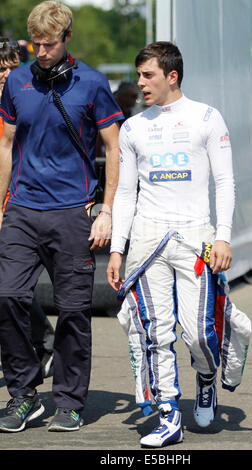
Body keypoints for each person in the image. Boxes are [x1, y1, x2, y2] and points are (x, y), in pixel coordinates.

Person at [107, 41, 251, 448]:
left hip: (196, 239)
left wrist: (222, 236)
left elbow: (225, 182)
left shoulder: (206, 117)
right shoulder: (134, 127)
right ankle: (168, 413)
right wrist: (118, 248)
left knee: (199, 334)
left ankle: (206, 378)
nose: (140, 83)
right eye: (138, 75)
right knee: (155, 331)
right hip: (148, 240)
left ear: (171, 76)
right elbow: (126, 194)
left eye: (147, 75)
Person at [0, 1, 123, 433]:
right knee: (7, 296)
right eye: (35, 44)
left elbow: (113, 147)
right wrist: (0, 205)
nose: (40, 52)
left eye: (48, 45)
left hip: (73, 212)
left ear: (67, 38)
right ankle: (24, 396)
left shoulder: (91, 82)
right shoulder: (17, 81)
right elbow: (6, 145)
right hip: (22, 209)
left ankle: (69, 401)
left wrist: (107, 209)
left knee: (73, 310)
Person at [0, 37, 54, 380]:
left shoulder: (27, 100)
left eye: (10, 67)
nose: (4, 74)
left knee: (9, 286)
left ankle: (44, 341)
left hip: (19, 203)